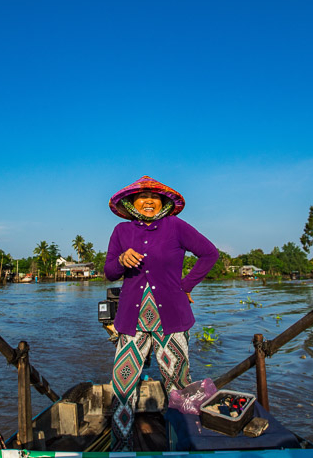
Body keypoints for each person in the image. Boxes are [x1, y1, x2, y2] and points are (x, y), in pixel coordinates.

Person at [104, 175, 219, 451]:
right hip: (131, 324)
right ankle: (121, 448)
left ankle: (184, 446)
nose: (148, 202)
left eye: (155, 197)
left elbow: (210, 253)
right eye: (143, 197)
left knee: (178, 389)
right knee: (123, 387)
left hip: (172, 323)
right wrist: (121, 260)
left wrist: (185, 285)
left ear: (164, 202)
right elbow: (109, 272)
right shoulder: (121, 232)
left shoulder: (175, 226)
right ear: (131, 202)